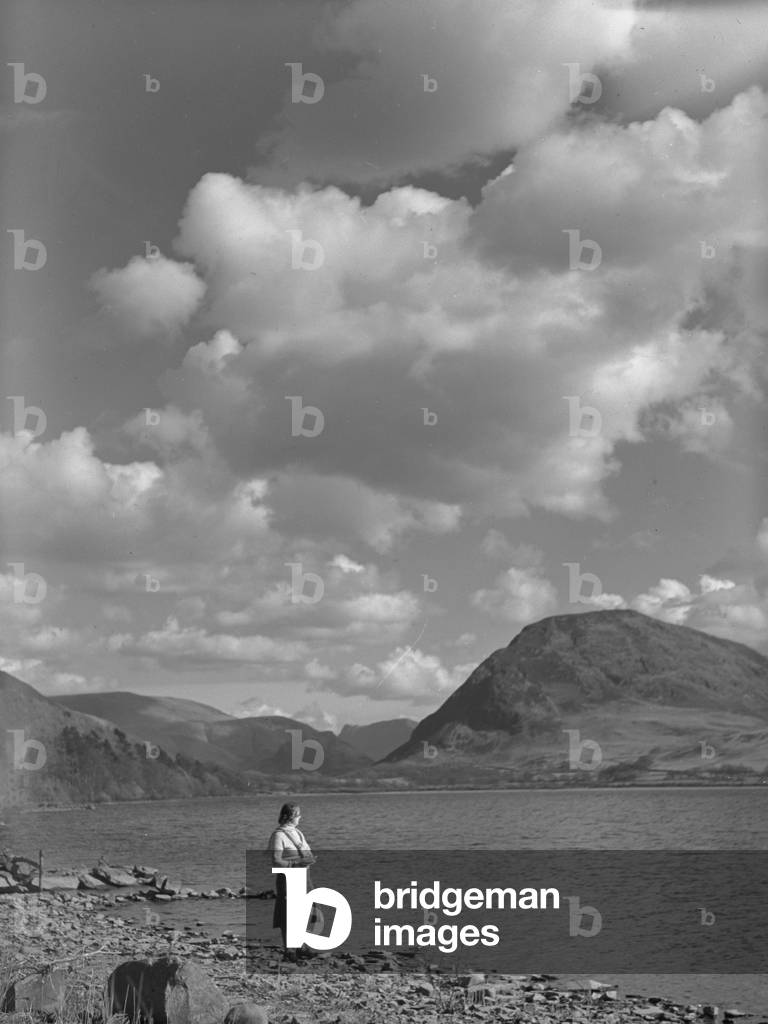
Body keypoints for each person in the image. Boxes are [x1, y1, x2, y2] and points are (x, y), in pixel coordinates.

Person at [268, 802, 316, 960]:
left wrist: (308, 859)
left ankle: (301, 946)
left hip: (304, 876)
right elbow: (275, 860)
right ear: (290, 817)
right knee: (287, 913)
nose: (300, 818)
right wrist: (295, 864)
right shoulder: (278, 835)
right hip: (288, 878)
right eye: (298, 815)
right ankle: (289, 950)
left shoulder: (298, 833)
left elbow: (306, 852)